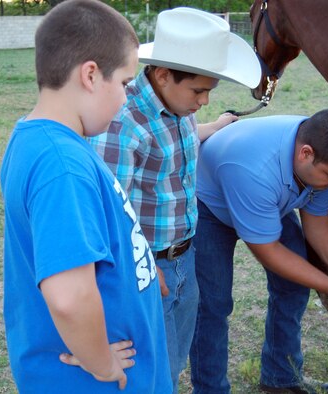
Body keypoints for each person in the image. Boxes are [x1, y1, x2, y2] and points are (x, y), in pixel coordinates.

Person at [0, 1, 171, 393]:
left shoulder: (41, 139)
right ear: (91, 74)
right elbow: (69, 297)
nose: (127, 99)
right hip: (91, 382)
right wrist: (101, 363)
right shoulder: (61, 165)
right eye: (125, 84)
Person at [88, 7, 261, 393]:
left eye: (209, 92)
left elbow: (178, 142)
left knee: (174, 359)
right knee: (151, 370)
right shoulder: (124, 122)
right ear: (163, 75)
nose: (203, 101)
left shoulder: (180, 107)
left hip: (185, 255)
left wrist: (213, 127)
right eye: (199, 91)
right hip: (148, 266)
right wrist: (143, 270)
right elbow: (109, 213)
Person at [189, 109, 328, 394]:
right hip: (210, 206)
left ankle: (281, 378)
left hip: (269, 201)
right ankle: (210, 389)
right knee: (213, 305)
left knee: (294, 286)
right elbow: (269, 251)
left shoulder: (323, 157)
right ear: (305, 153)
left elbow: (315, 219)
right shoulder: (254, 169)